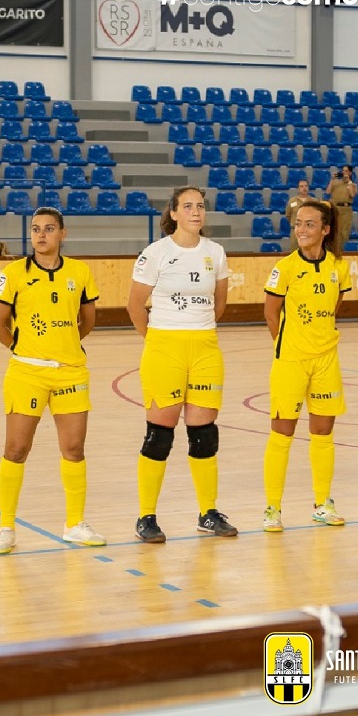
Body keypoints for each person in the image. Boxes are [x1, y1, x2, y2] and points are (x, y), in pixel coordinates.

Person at [0, 207, 105, 554]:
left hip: (70, 372)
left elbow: (88, 321)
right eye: (36, 229)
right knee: (16, 449)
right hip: (26, 372)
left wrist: (63, 347)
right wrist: (23, 349)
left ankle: (74, 523)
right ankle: (6, 526)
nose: (41, 235)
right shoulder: (13, 273)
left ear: (62, 234)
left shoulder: (80, 273)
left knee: (73, 449)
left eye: (49, 229)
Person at [128, 186, 236, 543]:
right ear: (173, 213)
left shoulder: (215, 252)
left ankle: (208, 512)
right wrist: (159, 339)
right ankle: (146, 516)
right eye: (187, 206)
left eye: (201, 206)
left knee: (204, 434)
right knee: (160, 435)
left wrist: (196, 328)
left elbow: (219, 303)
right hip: (164, 347)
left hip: (205, 346)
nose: (195, 211)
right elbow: (134, 305)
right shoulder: (155, 253)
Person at [261, 198, 350, 532]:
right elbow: (271, 313)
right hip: (291, 361)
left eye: (309, 224)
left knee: (323, 433)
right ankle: (272, 507)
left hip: (327, 359)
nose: (301, 230)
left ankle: (322, 503)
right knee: (282, 434)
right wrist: (288, 345)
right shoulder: (284, 268)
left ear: (325, 230)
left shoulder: (337, 268)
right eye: (298, 223)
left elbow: (335, 303)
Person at [326, 165, 357, 243]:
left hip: (345, 210)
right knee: (333, 230)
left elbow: (352, 194)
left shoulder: (352, 185)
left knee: (343, 232)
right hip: (335, 208)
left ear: (350, 173)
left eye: (346, 171)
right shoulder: (336, 182)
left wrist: (349, 182)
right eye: (343, 171)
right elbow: (328, 191)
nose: (344, 173)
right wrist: (332, 179)